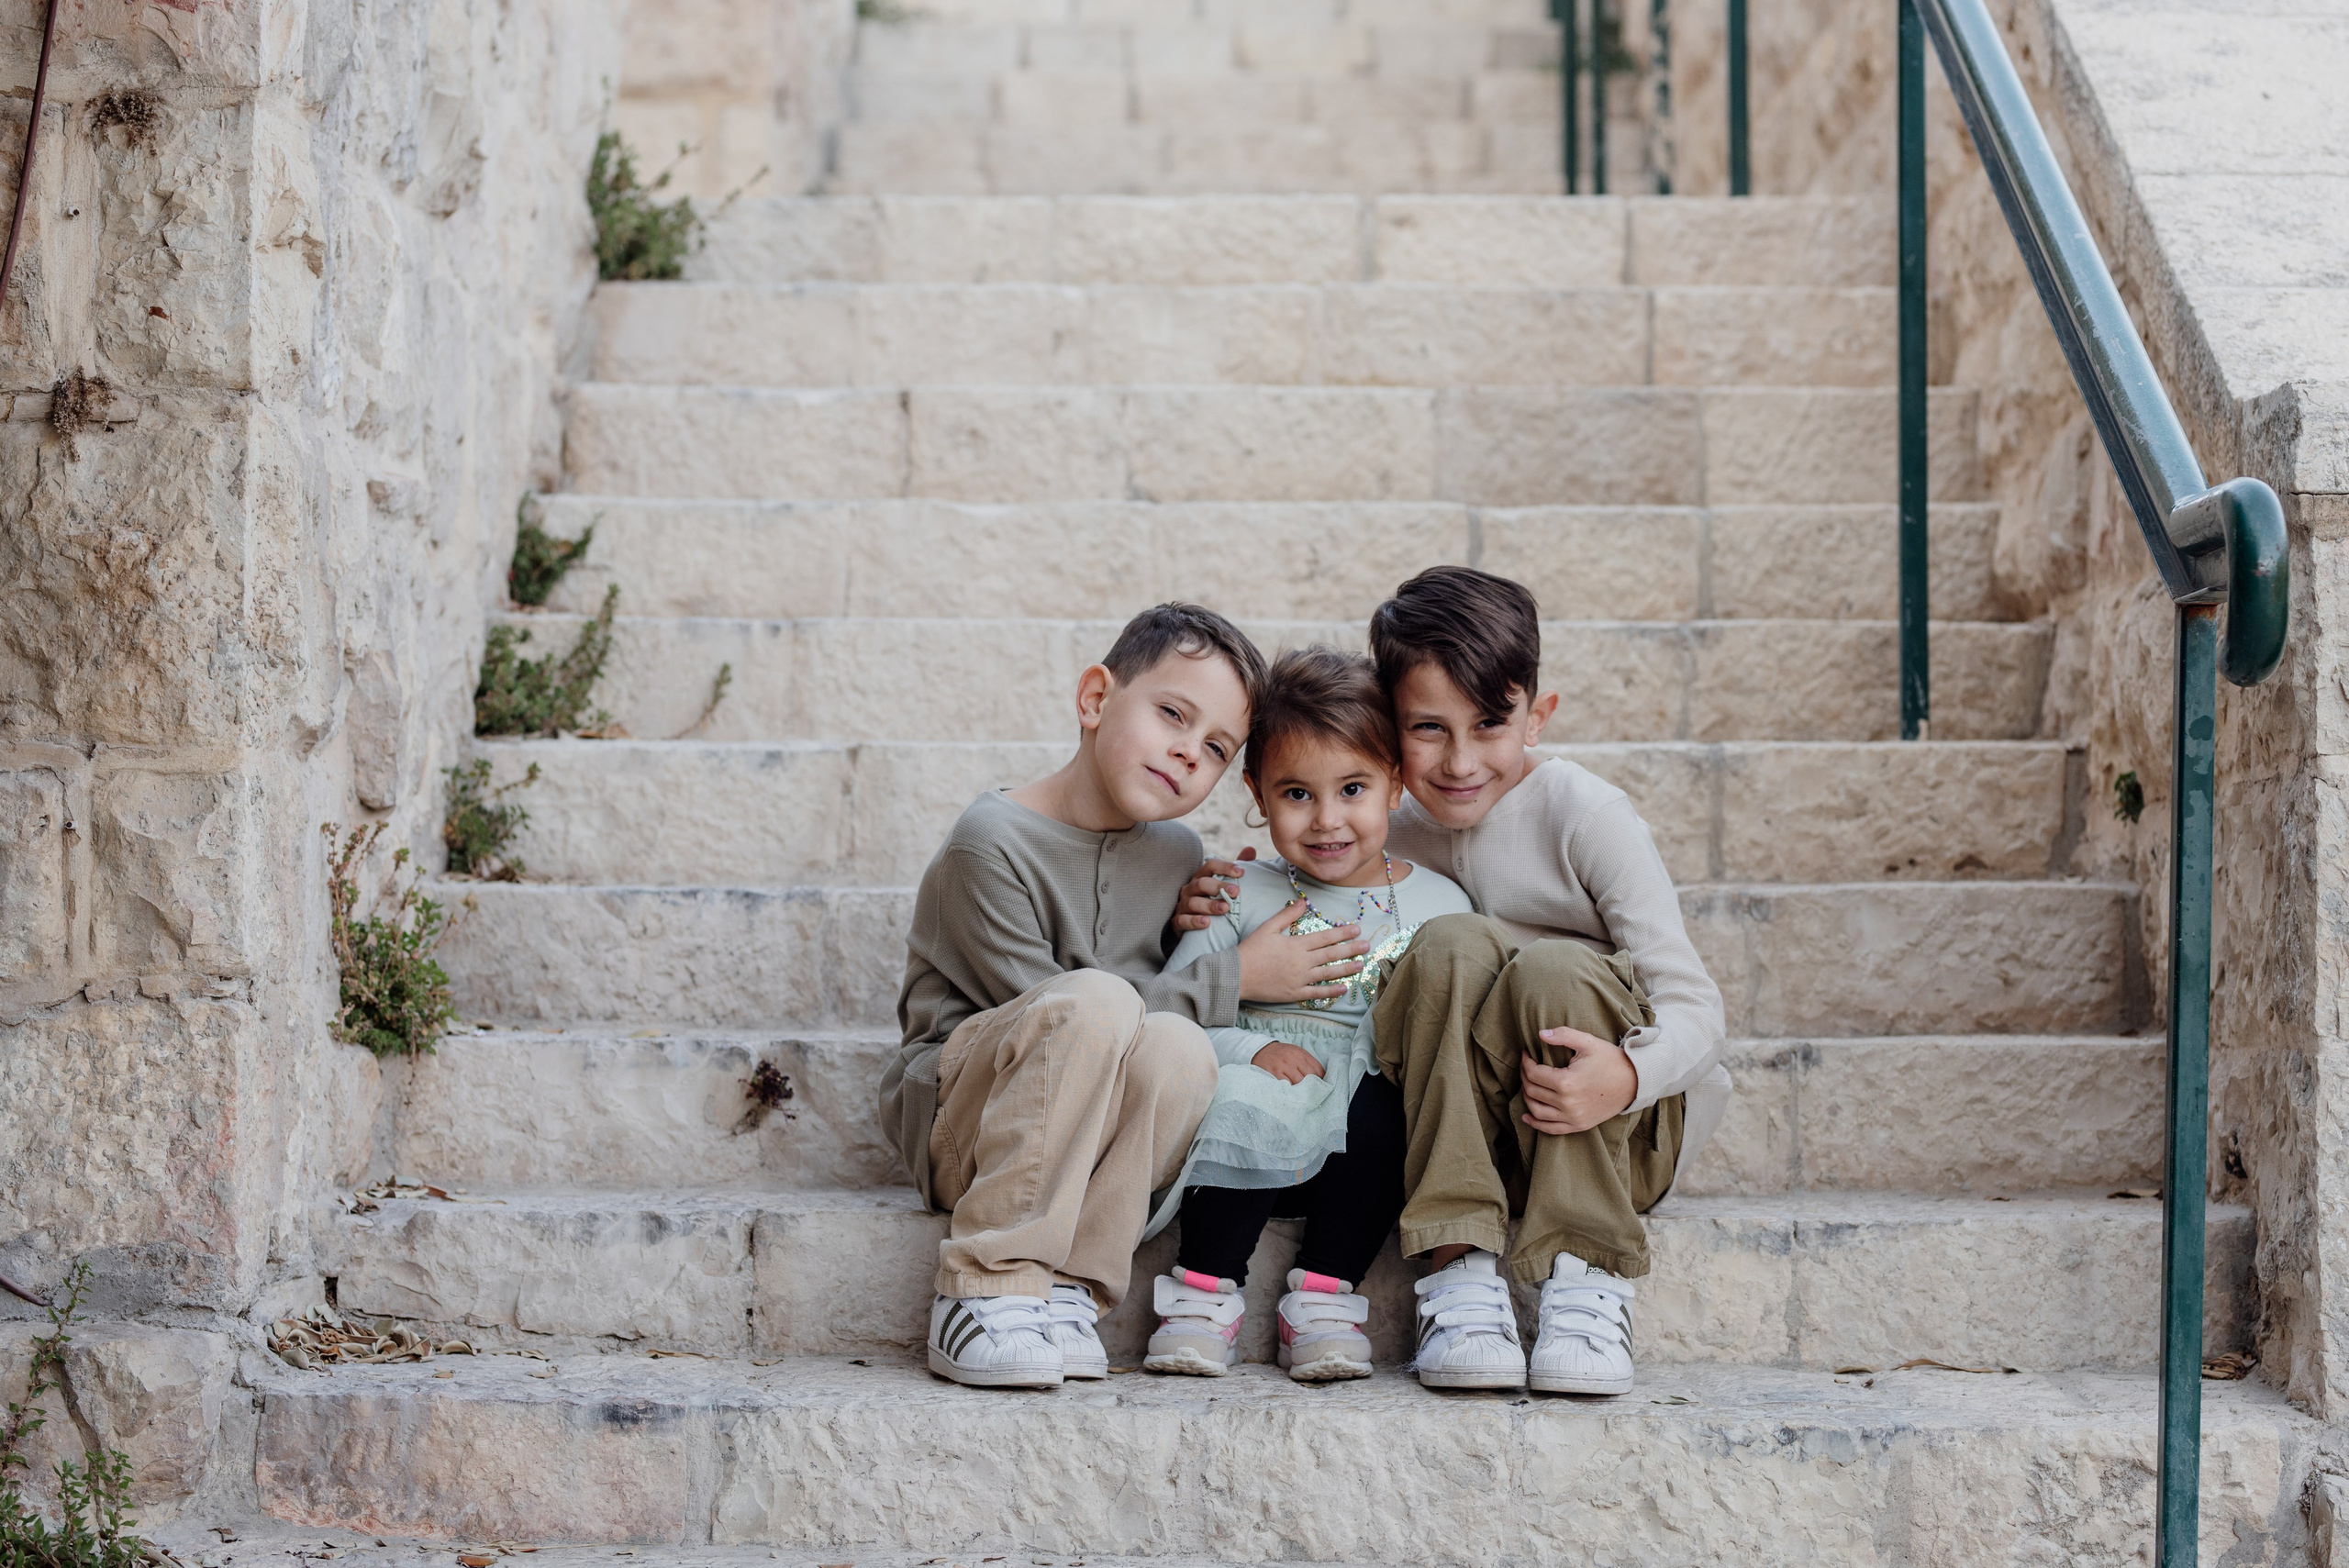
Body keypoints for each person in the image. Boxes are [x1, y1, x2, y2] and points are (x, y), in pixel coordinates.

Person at [1179, 567, 1730, 1397]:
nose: (1461, 760)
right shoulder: (1380, 827)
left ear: (1536, 716)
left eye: (1490, 724)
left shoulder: (1585, 814)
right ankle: (1457, 1268)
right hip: (1463, 1132)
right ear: (1389, 737)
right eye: (1428, 729)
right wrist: (1221, 886)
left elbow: (1696, 1006)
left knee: (1548, 965)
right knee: (1450, 943)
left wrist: (1625, 1076)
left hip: (1608, 1126)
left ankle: (1587, 1276)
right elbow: (1308, 835)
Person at [878, 603, 1372, 1389]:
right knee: (1105, 1007)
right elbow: (1066, 1012)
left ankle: (1074, 1285)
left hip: (1089, 1129)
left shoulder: (1173, 850)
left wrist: (1201, 923)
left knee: (1181, 1049)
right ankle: (988, 1281)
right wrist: (1233, 974)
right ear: (1095, 699)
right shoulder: (990, 841)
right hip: (967, 1118)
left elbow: (1144, 1024)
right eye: (1172, 713)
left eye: (1214, 747)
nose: (1187, 750)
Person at [1142, 648, 1475, 1383]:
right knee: (1251, 1093)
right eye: (1296, 793)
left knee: (1387, 1102)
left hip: (1359, 1148)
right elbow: (1174, 1011)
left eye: (1352, 787)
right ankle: (1202, 1293)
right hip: (1243, 1137)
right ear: (1257, 795)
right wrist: (1247, 1052)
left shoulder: (1442, 904)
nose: (1327, 819)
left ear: (1396, 784)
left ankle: (1324, 1296)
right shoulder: (1237, 890)